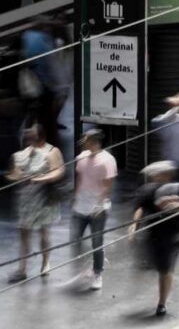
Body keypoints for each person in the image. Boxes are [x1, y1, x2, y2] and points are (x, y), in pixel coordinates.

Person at [130, 161, 179, 316]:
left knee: (165, 269)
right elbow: (140, 208)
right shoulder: (146, 190)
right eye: (153, 175)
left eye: (159, 174)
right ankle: (163, 280)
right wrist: (134, 225)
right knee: (158, 265)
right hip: (155, 233)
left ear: (168, 175)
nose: (155, 177)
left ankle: (162, 303)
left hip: (174, 233)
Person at [7, 124, 65, 282]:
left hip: (44, 198)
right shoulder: (22, 154)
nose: (29, 138)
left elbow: (58, 171)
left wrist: (39, 179)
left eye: (32, 135)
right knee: (24, 234)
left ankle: (46, 263)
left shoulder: (51, 151)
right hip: (26, 199)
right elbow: (13, 174)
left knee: (43, 232)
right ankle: (22, 268)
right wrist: (16, 176)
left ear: (40, 136)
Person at [71, 129, 118, 290]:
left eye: (86, 139)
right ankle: (91, 264)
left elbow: (108, 185)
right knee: (75, 237)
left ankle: (97, 272)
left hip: (97, 207)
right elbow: (80, 178)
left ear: (95, 141)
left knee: (97, 241)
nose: (83, 141)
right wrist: (76, 197)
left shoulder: (107, 160)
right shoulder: (81, 157)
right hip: (81, 204)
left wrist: (101, 204)